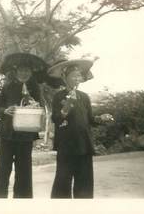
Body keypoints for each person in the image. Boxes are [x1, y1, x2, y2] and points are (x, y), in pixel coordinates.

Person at [48, 59, 113, 198]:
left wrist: (101, 118)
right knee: (63, 181)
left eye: (78, 76)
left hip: (84, 144)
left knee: (84, 183)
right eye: (73, 76)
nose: (77, 79)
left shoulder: (84, 97)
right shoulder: (58, 96)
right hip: (66, 145)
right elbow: (56, 119)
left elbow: (90, 120)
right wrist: (66, 107)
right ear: (65, 78)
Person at [0, 53, 47, 198]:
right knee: (4, 169)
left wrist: (36, 106)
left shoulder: (35, 88)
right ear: (16, 71)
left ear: (31, 72)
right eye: (22, 70)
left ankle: (23, 200)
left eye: (27, 71)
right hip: (8, 134)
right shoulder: (8, 87)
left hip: (26, 135)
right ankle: (0, 199)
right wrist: (5, 110)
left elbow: (41, 108)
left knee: (24, 170)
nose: (24, 73)